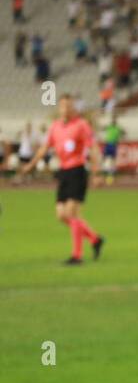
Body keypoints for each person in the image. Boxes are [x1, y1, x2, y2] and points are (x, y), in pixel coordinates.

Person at [17, 95, 105, 265]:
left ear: (74, 109)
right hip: (63, 172)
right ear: (59, 108)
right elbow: (44, 148)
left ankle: (77, 256)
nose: (66, 109)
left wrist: (96, 172)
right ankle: (95, 239)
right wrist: (30, 165)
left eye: (69, 106)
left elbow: (93, 148)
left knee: (72, 213)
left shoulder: (81, 125)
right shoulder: (55, 127)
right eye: (63, 106)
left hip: (77, 171)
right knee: (61, 215)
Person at [101, 115, 122, 185]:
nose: (113, 121)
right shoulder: (110, 127)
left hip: (113, 145)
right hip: (109, 144)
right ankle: (106, 174)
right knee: (106, 160)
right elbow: (103, 128)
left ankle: (111, 176)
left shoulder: (117, 128)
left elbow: (123, 132)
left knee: (112, 161)